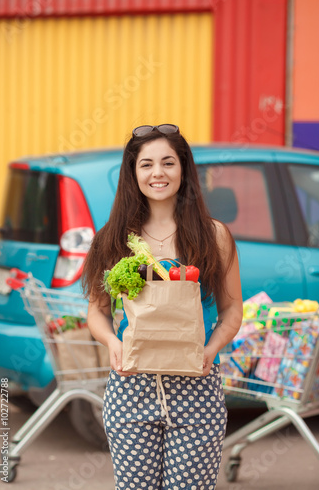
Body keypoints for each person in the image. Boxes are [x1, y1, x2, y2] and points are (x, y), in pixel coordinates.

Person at [82, 124, 243, 489]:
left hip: (197, 392)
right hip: (131, 390)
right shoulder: (113, 239)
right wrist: (112, 343)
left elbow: (232, 309)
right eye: (147, 165)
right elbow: (97, 311)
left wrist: (211, 350)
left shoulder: (214, 235)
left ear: (183, 168)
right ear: (133, 173)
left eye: (168, 163)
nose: (158, 173)